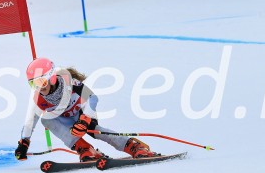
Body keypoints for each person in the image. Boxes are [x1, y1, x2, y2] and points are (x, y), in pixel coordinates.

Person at [14, 57, 158, 162]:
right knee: (46, 119)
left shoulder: (68, 83)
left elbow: (92, 98)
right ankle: (85, 149)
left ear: (51, 77)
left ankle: (132, 146)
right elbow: (30, 121)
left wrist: (84, 119)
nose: (39, 87)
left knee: (95, 131)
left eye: (41, 82)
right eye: (33, 84)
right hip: (65, 121)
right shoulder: (38, 97)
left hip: (82, 113)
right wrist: (24, 142)